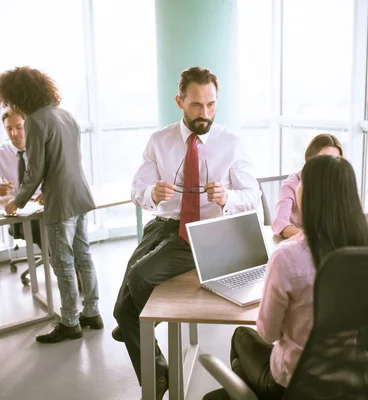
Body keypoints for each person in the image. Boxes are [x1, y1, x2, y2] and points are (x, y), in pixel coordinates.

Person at [113, 66, 261, 399]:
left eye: (211, 104)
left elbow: (253, 196)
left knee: (138, 280)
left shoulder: (232, 143)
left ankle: (145, 343)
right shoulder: (159, 141)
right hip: (163, 227)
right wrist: (152, 194)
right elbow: (137, 188)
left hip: (207, 232)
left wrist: (228, 197)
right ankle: (160, 371)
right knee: (121, 311)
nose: (204, 113)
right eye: (196, 105)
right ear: (180, 101)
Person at [204, 155, 368, 400]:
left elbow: (268, 334)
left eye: (301, 182)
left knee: (241, 337)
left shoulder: (287, 257)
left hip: (295, 384)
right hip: (352, 381)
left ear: (311, 197)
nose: (296, 187)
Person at [0, 66, 102, 344]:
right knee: (83, 255)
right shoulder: (65, 115)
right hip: (79, 195)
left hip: (61, 203)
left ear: (18, 96)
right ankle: (92, 313)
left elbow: (35, 170)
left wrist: (16, 202)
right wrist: (48, 188)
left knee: (62, 261)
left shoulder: (35, 121)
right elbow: (64, 162)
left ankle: (69, 322)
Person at [0, 108, 42, 249]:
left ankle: (61, 262)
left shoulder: (41, 147)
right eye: (9, 129)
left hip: (43, 204)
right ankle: (59, 262)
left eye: (19, 127)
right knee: (47, 232)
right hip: (19, 210)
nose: (14, 133)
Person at [272, 133, 343, 239]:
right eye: (322, 158)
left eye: (334, 159)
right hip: (298, 244)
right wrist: (313, 238)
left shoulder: (339, 183)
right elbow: (280, 223)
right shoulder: (292, 185)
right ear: (310, 158)